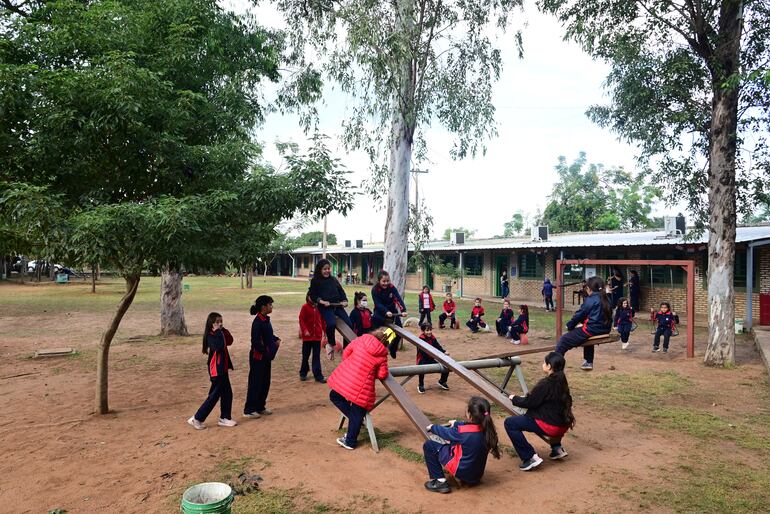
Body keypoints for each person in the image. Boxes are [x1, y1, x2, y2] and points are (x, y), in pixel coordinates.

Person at [504, 352, 575, 471]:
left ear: (549, 366)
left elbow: (530, 402)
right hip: (562, 426)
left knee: (510, 423)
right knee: (550, 413)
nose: (543, 364)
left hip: (550, 426)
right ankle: (557, 448)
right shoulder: (562, 382)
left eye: (544, 363)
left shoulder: (546, 384)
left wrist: (514, 398)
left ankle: (530, 457)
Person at [327, 329, 392, 450]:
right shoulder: (382, 354)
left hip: (346, 378)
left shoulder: (360, 340)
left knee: (334, 395)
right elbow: (382, 374)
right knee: (358, 410)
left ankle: (352, 432)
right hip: (363, 387)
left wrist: (352, 364)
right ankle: (350, 440)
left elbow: (346, 353)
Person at [422, 396, 501, 493]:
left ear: (469, 414)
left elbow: (445, 433)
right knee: (460, 445)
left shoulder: (462, 433)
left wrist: (433, 427)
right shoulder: (488, 430)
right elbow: (467, 426)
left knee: (430, 445)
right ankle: (464, 477)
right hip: (476, 475)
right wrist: (456, 423)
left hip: (462, 471)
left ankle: (440, 482)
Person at [188, 312, 237, 430]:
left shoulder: (220, 332)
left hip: (223, 369)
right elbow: (219, 346)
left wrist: (223, 330)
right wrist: (218, 332)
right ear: (211, 324)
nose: (220, 324)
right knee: (214, 395)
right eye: (217, 322)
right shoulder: (211, 335)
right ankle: (198, 418)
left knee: (227, 393)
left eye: (221, 321)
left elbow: (230, 341)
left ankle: (225, 418)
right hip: (216, 370)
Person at [555, 276, 612, 371]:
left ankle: (555, 366)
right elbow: (597, 315)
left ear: (589, 289)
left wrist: (569, 325)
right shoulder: (607, 298)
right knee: (586, 337)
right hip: (604, 329)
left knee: (563, 340)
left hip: (592, 329)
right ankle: (588, 362)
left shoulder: (591, 299)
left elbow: (579, 315)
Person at [244, 295, 280, 418]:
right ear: (264, 307)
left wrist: (275, 340)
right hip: (258, 358)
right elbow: (256, 342)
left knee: (265, 382)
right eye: (270, 304)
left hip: (265, 357)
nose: (272, 307)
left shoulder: (265, 320)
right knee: (255, 383)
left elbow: (268, 336)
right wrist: (267, 352)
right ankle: (249, 409)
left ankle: (260, 406)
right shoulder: (258, 322)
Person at [308, 259, 354, 352]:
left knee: (349, 324)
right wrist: (321, 301)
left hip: (337, 305)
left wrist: (344, 300)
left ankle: (347, 347)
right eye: (325, 269)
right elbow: (312, 295)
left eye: (328, 269)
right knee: (331, 324)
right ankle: (331, 343)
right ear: (320, 270)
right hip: (326, 307)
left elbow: (341, 292)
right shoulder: (315, 281)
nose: (327, 271)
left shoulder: (333, 280)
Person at [371, 270, 407, 357]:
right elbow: (378, 303)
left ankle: (393, 348)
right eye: (383, 281)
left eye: (387, 281)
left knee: (399, 332)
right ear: (379, 281)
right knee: (378, 332)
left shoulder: (391, 288)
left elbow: (398, 299)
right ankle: (375, 349)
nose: (386, 283)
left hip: (392, 312)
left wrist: (403, 310)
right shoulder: (375, 290)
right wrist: (385, 311)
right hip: (379, 312)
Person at [298, 294, 326, 383]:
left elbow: (322, 320)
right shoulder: (305, 307)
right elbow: (301, 319)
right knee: (305, 356)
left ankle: (318, 375)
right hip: (307, 337)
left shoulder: (320, 308)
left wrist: (325, 331)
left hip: (317, 337)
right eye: (311, 296)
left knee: (316, 356)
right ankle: (303, 372)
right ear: (308, 297)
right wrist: (304, 330)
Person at [416, 323, 450, 394]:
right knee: (421, 370)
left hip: (431, 358)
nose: (429, 332)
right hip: (423, 358)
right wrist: (435, 354)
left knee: (446, 366)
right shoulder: (420, 339)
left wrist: (444, 351)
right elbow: (422, 352)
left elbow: (437, 346)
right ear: (423, 331)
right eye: (427, 330)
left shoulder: (432, 337)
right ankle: (421, 385)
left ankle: (442, 381)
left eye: (430, 330)